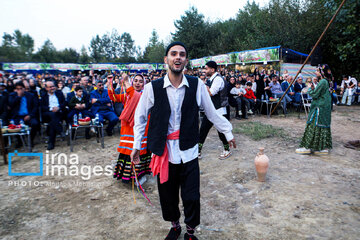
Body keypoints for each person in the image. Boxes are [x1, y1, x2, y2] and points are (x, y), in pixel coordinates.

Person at [131, 42, 236, 240]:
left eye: (181, 54)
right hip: (164, 153)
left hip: (188, 151)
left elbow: (212, 113)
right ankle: (175, 226)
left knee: (192, 196)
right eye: (173, 54)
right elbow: (140, 118)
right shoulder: (151, 88)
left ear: (186, 61)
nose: (177, 57)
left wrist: (227, 133)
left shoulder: (196, 86)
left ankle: (190, 231)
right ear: (166, 60)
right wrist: (137, 145)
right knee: (168, 196)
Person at [108, 73, 151, 184]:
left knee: (139, 151)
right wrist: (109, 83)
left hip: (141, 127)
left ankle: (140, 176)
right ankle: (127, 176)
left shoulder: (144, 96)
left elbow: (135, 95)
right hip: (127, 127)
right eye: (135, 80)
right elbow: (114, 98)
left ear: (144, 84)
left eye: (140, 81)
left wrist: (126, 80)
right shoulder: (127, 95)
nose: (137, 83)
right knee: (127, 151)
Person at [296, 64, 333, 155]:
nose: (316, 72)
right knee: (321, 125)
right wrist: (314, 88)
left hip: (319, 107)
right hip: (325, 107)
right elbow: (321, 92)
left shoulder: (323, 82)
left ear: (322, 72)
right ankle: (321, 148)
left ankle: (307, 147)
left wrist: (309, 89)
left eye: (317, 71)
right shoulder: (327, 81)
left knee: (313, 124)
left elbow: (315, 94)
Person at [198, 61, 231, 160]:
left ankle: (227, 150)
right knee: (203, 130)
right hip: (211, 110)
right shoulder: (211, 79)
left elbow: (211, 93)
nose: (204, 70)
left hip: (219, 110)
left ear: (212, 70)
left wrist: (202, 86)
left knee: (221, 131)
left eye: (206, 68)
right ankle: (198, 151)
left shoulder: (217, 79)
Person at [8, 81, 40, 147]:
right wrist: (18, 97)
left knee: (35, 124)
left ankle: (30, 140)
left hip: (28, 115)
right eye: (17, 89)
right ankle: (20, 141)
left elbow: (35, 107)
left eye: (21, 88)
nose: (19, 90)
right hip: (17, 116)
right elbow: (11, 105)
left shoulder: (30, 95)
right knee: (15, 126)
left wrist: (30, 115)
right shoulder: (12, 95)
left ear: (24, 88)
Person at [40, 81, 66, 150]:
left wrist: (58, 107)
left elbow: (64, 103)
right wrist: (51, 108)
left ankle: (51, 143)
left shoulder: (59, 93)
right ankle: (60, 130)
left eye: (53, 86)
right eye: (50, 87)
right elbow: (42, 107)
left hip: (59, 113)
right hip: (48, 114)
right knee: (53, 115)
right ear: (46, 88)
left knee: (52, 123)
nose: (52, 88)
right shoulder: (43, 96)